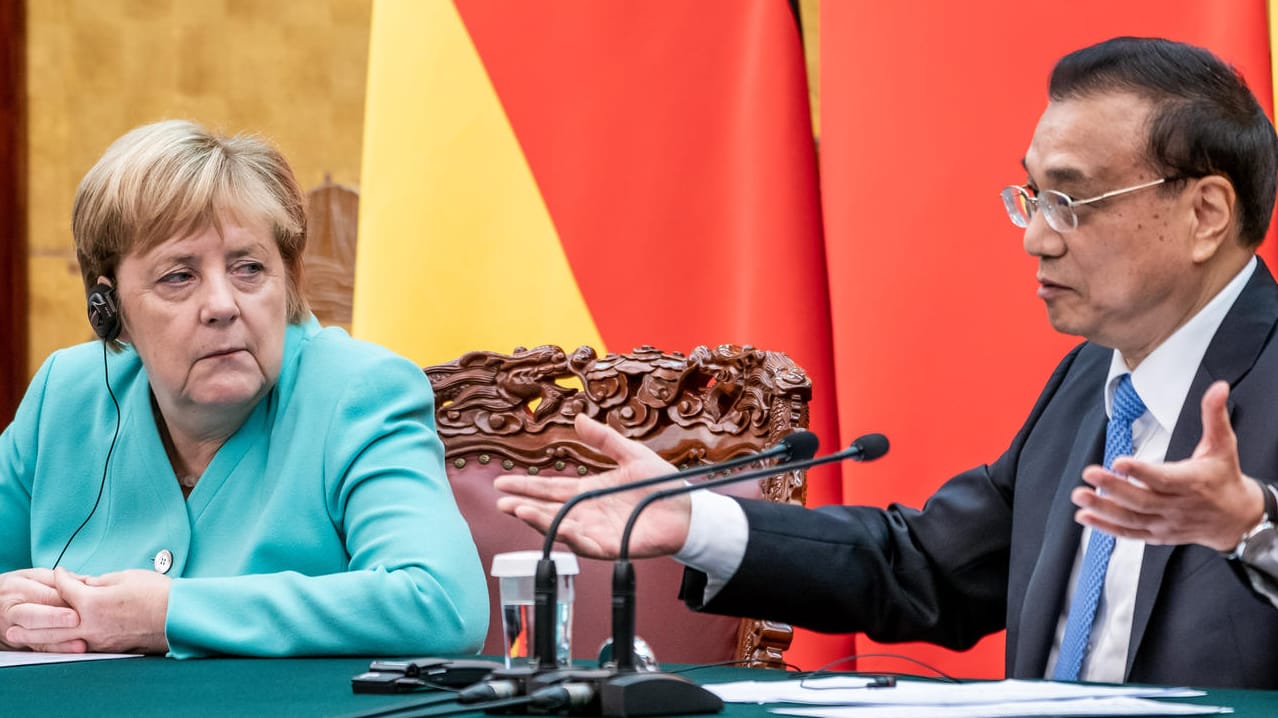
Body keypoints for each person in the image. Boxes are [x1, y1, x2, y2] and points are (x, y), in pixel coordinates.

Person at [495, 36, 1278, 689]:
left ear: (1206, 213)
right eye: (1031, 198)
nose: (1036, 238)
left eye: (1068, 202)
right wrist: (691, 519)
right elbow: (928, 568)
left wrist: (1252, 531)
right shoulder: (1094, 382)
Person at [0, 120, 489, 658]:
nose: (223, 305)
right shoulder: (65, 397)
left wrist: (168, 614)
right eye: (178, 276)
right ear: (109, 309)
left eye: (249, 268)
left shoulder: (358, 392)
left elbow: (441, 601)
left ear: (289, 278)